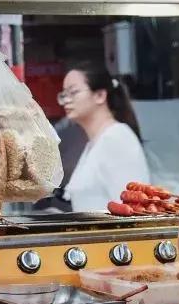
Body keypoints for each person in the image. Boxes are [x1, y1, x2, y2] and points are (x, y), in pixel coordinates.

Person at [58, 62, 149, 212]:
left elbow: (132, 210)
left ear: (100, 95)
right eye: (63, 95)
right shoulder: (94, 143)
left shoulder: (117, 138)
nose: (66, 100)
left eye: (73, 92)